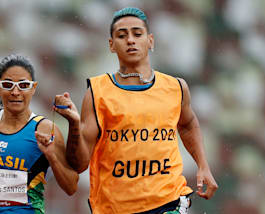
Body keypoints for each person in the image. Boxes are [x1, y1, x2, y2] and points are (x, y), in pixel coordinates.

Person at [52, 7, 218, 214]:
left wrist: (203, 165)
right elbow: (79, 164)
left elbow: (188, 124)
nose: (130, 40)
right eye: (122, 36)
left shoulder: (176, 87)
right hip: (115, 207)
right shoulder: (98, 92)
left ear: (150, 41)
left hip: (168, 201)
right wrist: (74, 124)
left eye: (137, 34)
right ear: (111, 45)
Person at [0, 54, 79, 214]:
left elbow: (71, 187)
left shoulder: (45, 129)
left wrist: (52, 158)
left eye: (23, 85)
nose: (15, 92)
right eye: (8, 84)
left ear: (33, 88)